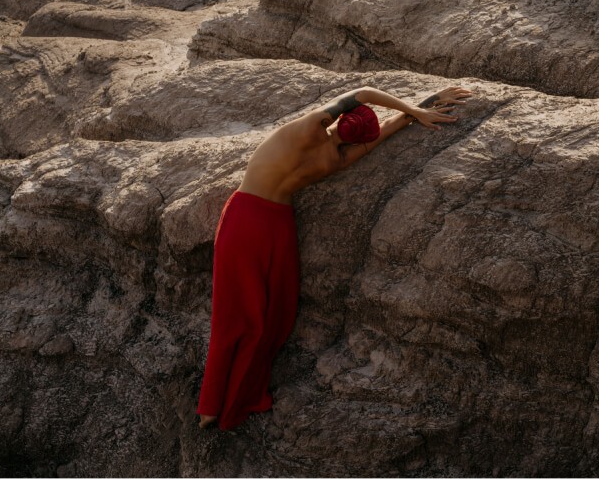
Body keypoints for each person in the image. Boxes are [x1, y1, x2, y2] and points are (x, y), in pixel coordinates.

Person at [197, 85, 473, 430]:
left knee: (235, 310)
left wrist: (418, 108)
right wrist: (420, 109)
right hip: (278, 225)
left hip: (247, 214)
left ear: (341, 119)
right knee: (271, 313)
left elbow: (365, 92)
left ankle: (210, 406)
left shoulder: (310, 127)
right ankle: (237, 399)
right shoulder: (338, 158)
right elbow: (389, 128)